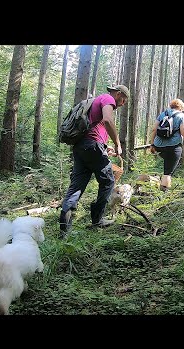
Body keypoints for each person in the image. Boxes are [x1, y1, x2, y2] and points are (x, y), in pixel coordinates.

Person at [59, 84, 129, 236]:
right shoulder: (108, 99)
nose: (122, 104)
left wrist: (105, 147)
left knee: (76, 186)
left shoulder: (96, 102)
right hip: (92, 146)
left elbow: (94, 131)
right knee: (108, 181)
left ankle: (64, 229)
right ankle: (97, 219)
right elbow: (108, 120)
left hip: (81, 147)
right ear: (118, 94)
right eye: (123, 100)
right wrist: (117, 144)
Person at [150, 98, 184, 191]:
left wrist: (152, 144)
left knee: (167, 165)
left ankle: (160, 184)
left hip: (158, 146)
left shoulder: (162, 114)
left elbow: (154, 129)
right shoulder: (181, 116)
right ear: (180, 108)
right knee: (167, 172)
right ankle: (164, 194)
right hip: (173, 147)